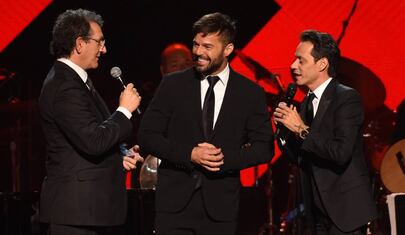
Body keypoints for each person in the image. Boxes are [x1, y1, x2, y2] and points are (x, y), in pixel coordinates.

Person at [138, 12, 274, 235]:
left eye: (207, 46)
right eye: (196, 44)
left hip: (221, 210)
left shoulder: (250, 93)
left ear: (228, 49)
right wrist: (190, 154)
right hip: (173, 208)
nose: (198, 52)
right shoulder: (173, 85)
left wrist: (222, 159)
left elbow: (264, 149)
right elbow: (147, 136)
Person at [39, 9, 143, 235]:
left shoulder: (75, 80)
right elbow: (93, 141)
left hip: (87, 212)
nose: (104, 49)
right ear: (79, 44)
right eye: (100, 42)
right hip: (75, 213)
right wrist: (124, 110)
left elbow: (85, 140)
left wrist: (120, 155)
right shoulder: (64, 85)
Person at [273, 30, 377, 234]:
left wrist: (300, 129)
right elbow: (303, 157)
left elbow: (340, 153)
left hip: (345, 212)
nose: (293, 66)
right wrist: (284, 135)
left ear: (322, 64)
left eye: (300, 60)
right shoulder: (305, 104)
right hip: (316, 212)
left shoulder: (346, 98)